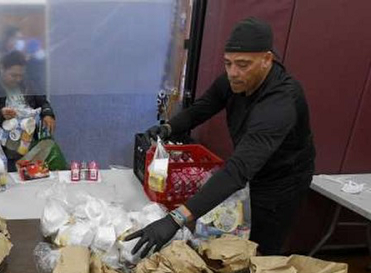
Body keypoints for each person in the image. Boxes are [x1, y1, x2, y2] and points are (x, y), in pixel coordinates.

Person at [128, 17, 315, 257]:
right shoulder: (234, 79)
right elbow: (203, 107)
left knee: (264, 247)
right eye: (228, 63)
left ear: (267, 60)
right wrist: (169, 128)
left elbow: (237, 170)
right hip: (251, 171)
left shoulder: (280, 103)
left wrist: (175, 219)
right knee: (236, 237)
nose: (233, 73)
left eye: (243, 64)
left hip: (281, 182)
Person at [0, 50, 56, 171]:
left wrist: (48, 113)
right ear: (1, 68)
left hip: (28, 145)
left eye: (21, 75)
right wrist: (0, 114)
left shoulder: (28, 85)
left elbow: (42, 102)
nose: (18, 79)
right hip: (2, 151)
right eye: (13, 75)